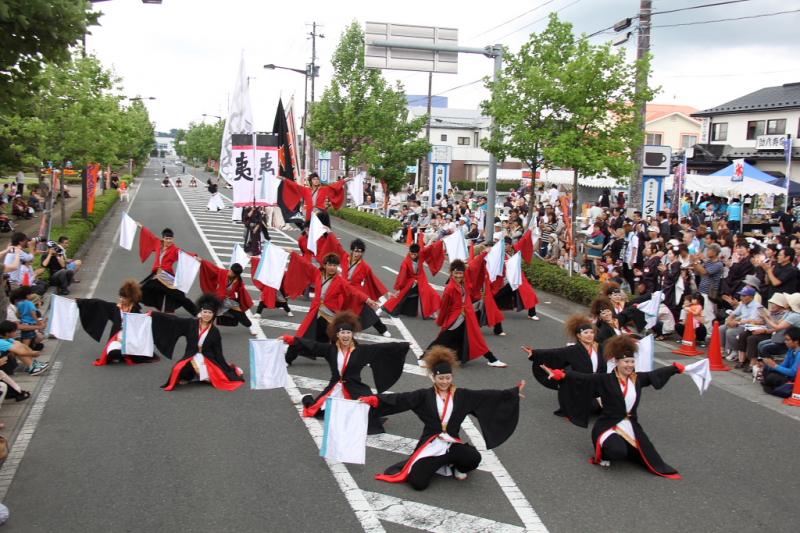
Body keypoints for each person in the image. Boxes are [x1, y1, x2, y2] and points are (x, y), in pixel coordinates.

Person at [359, 346, 523, 490]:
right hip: (431, 444)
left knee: (473, 458)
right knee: (418, 483)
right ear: (433, 377)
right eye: (441, 378)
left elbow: (488, 396)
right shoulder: (423, 396)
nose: (444, 381)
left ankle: (455, 467)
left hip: (452, 444)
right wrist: (375, 400)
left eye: (448, 378)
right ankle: (439, 464)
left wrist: (512, 394)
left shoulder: (463, 395)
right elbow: (400, 399)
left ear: (451, 377)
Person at [541, 335, 685, 478]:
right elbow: (583, 379)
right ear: (616, 362)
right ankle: (604, 452)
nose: (629, 365)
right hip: (608, 425)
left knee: (649, 454)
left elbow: (654, 375)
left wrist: (674, 369)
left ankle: (624, 443)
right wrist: (562, 374)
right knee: (617, 452)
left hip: (630, 424)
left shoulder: (637, 379)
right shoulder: (605, 379)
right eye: (626, 361)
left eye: (632, 361)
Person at [281, 311, 409, 433]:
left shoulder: (362, 351)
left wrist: (404, 346)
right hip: (335, 387)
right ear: (337, 335)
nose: (346, 335)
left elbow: (383, 348)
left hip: (355, 387)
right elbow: (312, 345)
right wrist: (289, 339)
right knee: (315, 411)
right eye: (343, 333)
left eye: (348, 332)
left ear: (352, 334)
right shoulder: (330, 350)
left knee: (366, 416)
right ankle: (306, 397)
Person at [285, 253, 380, 364]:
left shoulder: (340, 281)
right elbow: (305, 264)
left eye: (335, 265)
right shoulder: (317, 274)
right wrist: (293, 253)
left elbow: (353, 291)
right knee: (303, 336)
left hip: (329, 315)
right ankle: (287, 359)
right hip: (315, 313)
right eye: (330, 265)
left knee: (342, 338)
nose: (332, 268)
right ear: (325, 265)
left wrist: (367, 299)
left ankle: (359, 356)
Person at [524, 314, 605, 424]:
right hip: (579, 386)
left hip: (596, 383)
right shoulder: (572, 350)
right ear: (579, 336)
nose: (589, 335)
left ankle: (596, 400)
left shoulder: (599, 347)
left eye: (591, 333)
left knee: (613, 405)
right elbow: (554, 353)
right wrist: (534, 353)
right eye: (586, 333)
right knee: (593, 408)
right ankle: (575, 404)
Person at [427, 260, 508, 368]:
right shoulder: (450, 288)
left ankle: (491, 359)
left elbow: (474, 271)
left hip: (466, 317)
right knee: (444, 339)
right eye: (456, 273)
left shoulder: (463, 283)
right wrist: (441, 321)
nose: (458, 276)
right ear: (451, 273)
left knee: (474, 338)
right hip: (456, 319)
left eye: (460, 273)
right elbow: (444, 308)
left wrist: (482, 257)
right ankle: (424, 357)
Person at [157, 294, 245, 391]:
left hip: (207, 357)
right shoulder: (191, 323)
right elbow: (173, 321)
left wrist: (226, 369)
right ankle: (193, 374)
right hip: (191, 355)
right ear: (201, 312)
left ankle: (200, 374)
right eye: (205, 312)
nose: (207, 315)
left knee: (215, 377)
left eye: (210, 313)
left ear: (213, 314)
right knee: (178, 370)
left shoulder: (215, 332)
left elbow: (218, 353)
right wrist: (154, 315)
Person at [77, 279, 158, 366]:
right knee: (112, 354)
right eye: (120, 297)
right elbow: (99, 303)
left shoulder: (135, 311)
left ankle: (126, 353)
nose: (121, 299)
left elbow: (142, 328)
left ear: (131, 298)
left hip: (131, 340)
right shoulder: (116, 308)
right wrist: (80, 301)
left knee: (130, 353)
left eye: (124, 298)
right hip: (117, 338)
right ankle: (123, 354)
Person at [139, 227, 198, 315]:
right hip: (156, 274)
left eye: (170, 239)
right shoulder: (158, 244)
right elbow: (150, 235)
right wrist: (141, 227)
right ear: (163, 238)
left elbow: (184, 254)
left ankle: (197, 313)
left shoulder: (175, 250)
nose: (169, 241)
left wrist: (194, 257)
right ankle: (133, 307)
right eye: (167, 239)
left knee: (180, 297)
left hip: (167, 276)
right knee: (141, 289)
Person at [343, 239, 391, 337]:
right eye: (356, 251)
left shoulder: (365, 266)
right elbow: (335, 246)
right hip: (344, 291)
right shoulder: (345, 258)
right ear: (352, 250)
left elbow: (374, 279)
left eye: (360, 252)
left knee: (367, 312)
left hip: (356, 293)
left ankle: (383, 329)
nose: (357, 254)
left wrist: (386, 292)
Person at [383, 242, 443, 319]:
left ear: (418, 253)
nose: (413, 256)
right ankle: (383, 309)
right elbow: (402, 276)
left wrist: (440, 242)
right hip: (410, 281)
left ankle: (431, 312)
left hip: (421, 280)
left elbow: (429, 248)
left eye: (415, 254)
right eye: (411, 254)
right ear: (409, 252)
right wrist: (399, 288)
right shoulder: (405, 262)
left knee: (432, 294)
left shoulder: (421, 254)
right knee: (400, 294)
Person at [213, 263, 258, 336]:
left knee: (240, 313)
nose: (230, 272)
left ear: (236, 274)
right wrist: (202, 261)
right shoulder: (222, 272)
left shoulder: (238, 280)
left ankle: (251, 326)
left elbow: (241, 291)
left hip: (229, 300)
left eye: (232, 272)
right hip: (219, 298)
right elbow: (211, 268)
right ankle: (204, 327)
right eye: (230, 270)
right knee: (211, 312)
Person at [758, 327, 800, 397]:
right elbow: (784, 365)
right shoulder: (791, 350)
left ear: (796, 341)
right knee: (767, 369)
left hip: (796, 380)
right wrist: (769, 365)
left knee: (773, 378)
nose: (785, 342)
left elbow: (793, 373)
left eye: (787, 340)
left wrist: (775, 366)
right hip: (790, 377)